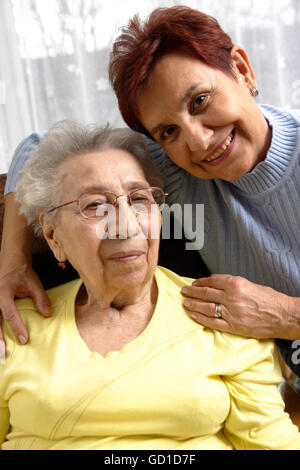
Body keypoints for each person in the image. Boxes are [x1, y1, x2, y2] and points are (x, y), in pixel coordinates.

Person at [0, 6, 299, 387]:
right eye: (168, 131)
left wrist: (287, 314)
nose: (199, 140)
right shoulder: (178, 163)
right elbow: (38, 150)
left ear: (242, 69)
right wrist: (12, 264)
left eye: (201, 101)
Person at [1, 119, 300, 451]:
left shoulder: (225, 315)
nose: (127, 226)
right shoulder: (13, 325)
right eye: (95, 206)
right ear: (54, 235)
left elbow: (271, 443)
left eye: (139, 199)